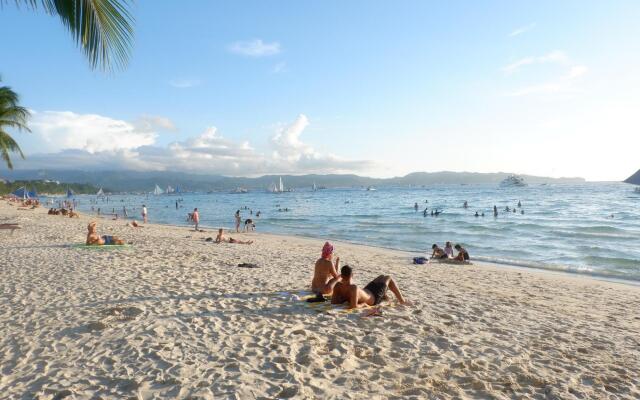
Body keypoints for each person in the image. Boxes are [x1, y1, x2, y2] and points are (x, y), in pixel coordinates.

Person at [331, 265, 407, 309]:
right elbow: (353, 307)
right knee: (388, 278)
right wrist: (363, 304)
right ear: (352, 275)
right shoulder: (353, 287)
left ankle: (384, 295)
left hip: (367, 290)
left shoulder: (337, 285)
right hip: (374, 298)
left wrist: (344, 299)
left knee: (381, 276)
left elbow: (333, 302)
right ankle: (402, 301)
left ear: (341, 275)